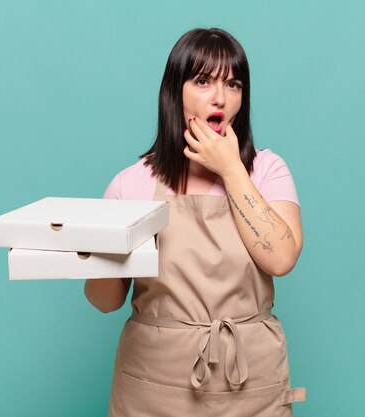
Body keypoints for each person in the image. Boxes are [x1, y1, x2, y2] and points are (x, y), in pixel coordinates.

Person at [84, 27, 306, 416]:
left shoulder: (268, 171)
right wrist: (95, 254)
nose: (220, 96)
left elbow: (282, 258)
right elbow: (105, 300)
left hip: (251, 382)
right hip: (153, 385)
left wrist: (232, 169)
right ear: (175, 92)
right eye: (203, 81)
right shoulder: (132, 183)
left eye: (233, 84)